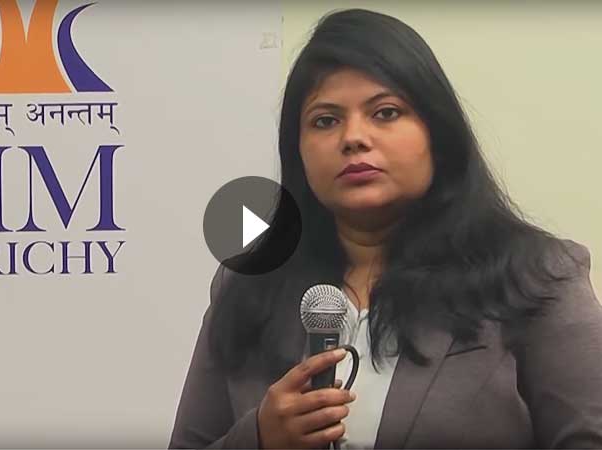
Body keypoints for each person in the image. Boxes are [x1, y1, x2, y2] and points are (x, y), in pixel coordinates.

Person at [168, 8, 602, 449]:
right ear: (297, 151)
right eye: (325, 120)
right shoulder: (248, 284)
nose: (353, 137)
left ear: (437, 133)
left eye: (386, 112)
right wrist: (259, 438)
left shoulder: (536, 277)